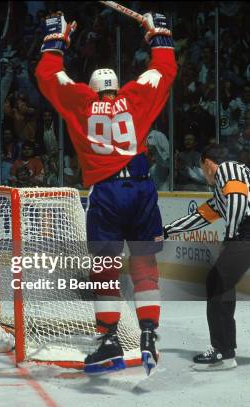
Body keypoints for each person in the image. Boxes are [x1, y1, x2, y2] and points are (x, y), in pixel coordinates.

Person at [35, 11, 177, 375]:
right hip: (142, 190)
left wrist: (56, 40)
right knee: (145, 267)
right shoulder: (135, 97)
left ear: (95, 88)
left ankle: (110, 339)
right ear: (115, 85)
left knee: (105, 271)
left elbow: (48, 75)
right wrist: (157, 33)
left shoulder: (82, 101)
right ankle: (148, 335)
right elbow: (164, 69)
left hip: (106, 194)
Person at [164, 145, 250, 371]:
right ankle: (225, 349)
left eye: (202, 169)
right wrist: (166, 231)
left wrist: (231, 236)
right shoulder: (221, 194)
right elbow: (199, 218)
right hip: (243, 232)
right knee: (219, 284)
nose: (204, 174)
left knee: (217, 283)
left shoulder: (228, 170)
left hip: (245, 233)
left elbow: (239, 200)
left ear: (208, 163)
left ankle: (223, 351)